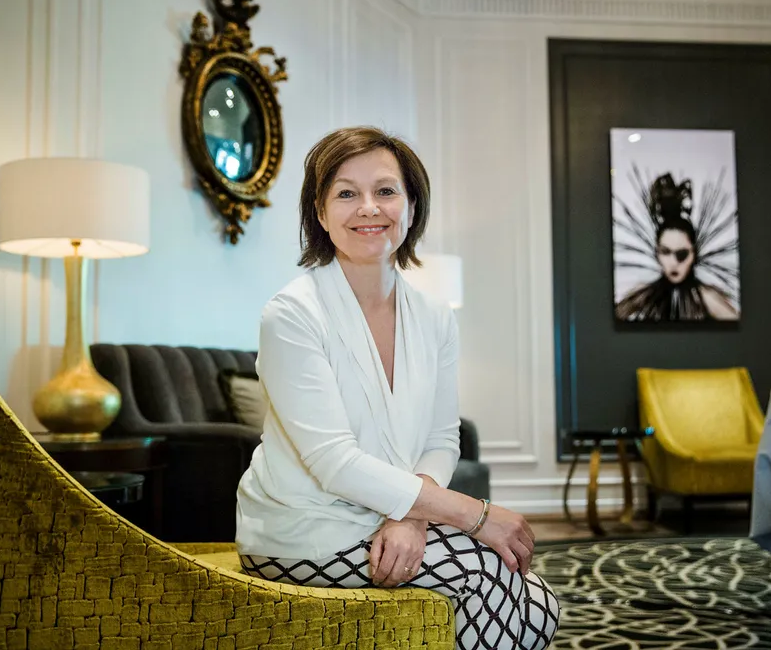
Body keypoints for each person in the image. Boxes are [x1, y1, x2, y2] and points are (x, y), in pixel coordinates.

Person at [235, 126, 559, 650]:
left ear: (411, 206)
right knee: (492, 576)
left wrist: (412, 517)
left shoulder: (434, 315)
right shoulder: (291, 314)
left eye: (385, 190)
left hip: (386, 517)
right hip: (303, 531)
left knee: (539, 602)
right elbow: (333, 461)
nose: (369, 207)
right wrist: (475, 516)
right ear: (321, 214)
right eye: (346, 193)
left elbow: (441, 438)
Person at [615, 172, 739, 321]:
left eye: (682, 254)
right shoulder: (642, 295)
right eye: (665, 252)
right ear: (656, 253)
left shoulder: (708, 298)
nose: (673, 263)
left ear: (694, 254)